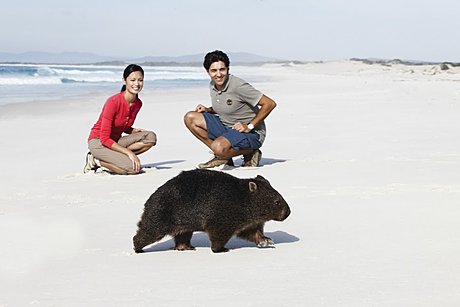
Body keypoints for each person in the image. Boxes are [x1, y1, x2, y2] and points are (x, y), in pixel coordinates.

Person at [184, 50, 276, 168]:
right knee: (190, 117)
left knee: (218, 147)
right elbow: (229, 106)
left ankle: (251, 152)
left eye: (222, 69)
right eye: (214, 70)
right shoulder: (213, 84)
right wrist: (208, 110)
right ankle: (223, 156)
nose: (218, 74)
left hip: (251, 133)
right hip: (227, 127)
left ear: (228, 69)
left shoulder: (238, 86)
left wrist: (250, 126)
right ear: (208, 72)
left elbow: (269, 104)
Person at [84, 64, 156, 175]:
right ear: (124, 81)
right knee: (133, 169)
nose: (137, 84)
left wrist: (131, 130)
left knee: (150, 137)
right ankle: (99, 161)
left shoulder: (138, 103)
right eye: (132, 80)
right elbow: (104, 138)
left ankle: (115, 158)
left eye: (140, 80)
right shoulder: (113, 102)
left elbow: (122, 125)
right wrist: (129, 153)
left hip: (115, 141)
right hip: (99, 142)